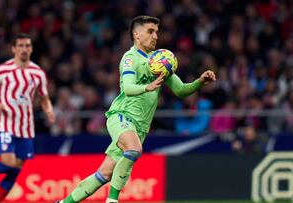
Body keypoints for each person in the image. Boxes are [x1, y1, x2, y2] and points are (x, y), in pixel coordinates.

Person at [56, 15, 216, 203]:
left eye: (156, 31)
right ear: (136, 34)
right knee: (133, 150)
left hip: (139, 127)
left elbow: (181, 90)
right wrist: (146, 87)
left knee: (103, 175)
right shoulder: (130, 59)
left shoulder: (160, 62)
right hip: (122, 117)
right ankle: (112, 200)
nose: (155, 36)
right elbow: (128, 88)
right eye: (150, 31)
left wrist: (199, 82)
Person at [0, 33, 55, 203]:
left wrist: (49, 110)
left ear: (31, 49)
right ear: (13, 49)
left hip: (26, 127)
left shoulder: (38, 73)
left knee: (16, 169)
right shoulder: (1, 71)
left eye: (27, 46)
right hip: (6, 124)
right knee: (9, 164)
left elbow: (44, 97)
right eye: (20, 46)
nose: (24, 49)